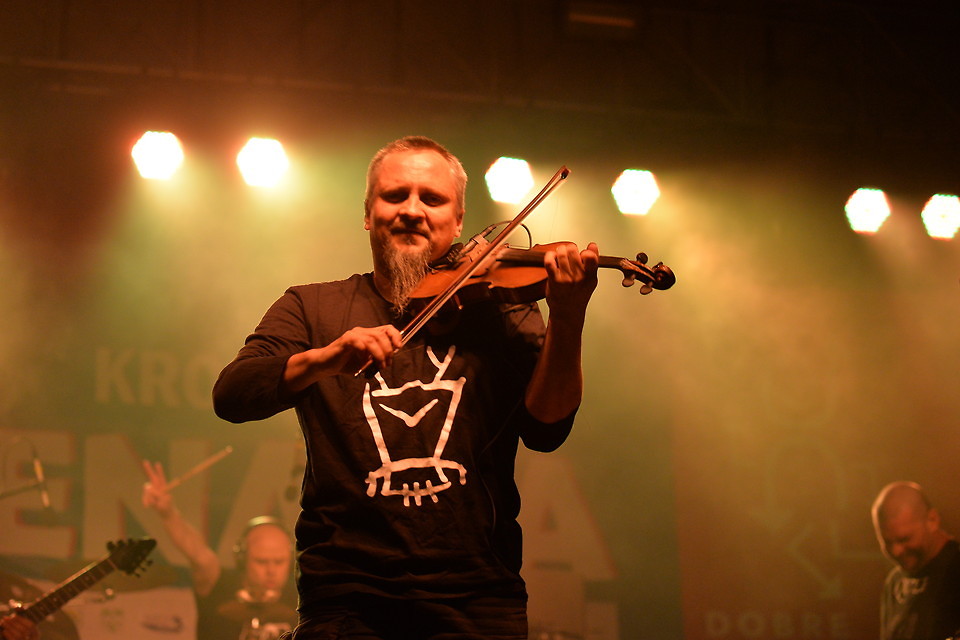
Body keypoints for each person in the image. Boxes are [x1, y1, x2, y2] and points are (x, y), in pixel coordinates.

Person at [212, 135, 599, 639]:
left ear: (458, 221)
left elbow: (547, 429)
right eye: (395, 195)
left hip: (479, 598)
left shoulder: (503, 309)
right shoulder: (312, 307)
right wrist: (325, 358)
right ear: (368, 214)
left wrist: (568, 316)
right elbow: (232, 394)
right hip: (347, 598)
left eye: (432, 199)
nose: (412, 210)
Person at [142, 460, 298, 640]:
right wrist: (168, 513)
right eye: (261, 561)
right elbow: (198, 554)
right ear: (242, 558)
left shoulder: (302, 598)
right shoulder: (218, 585)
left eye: (279, 561)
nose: (271, 570)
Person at [871, 481, 960, 640]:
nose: (896, 551)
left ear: (932, 520)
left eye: (904, 539)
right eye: (887, 542)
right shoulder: (894, 582)